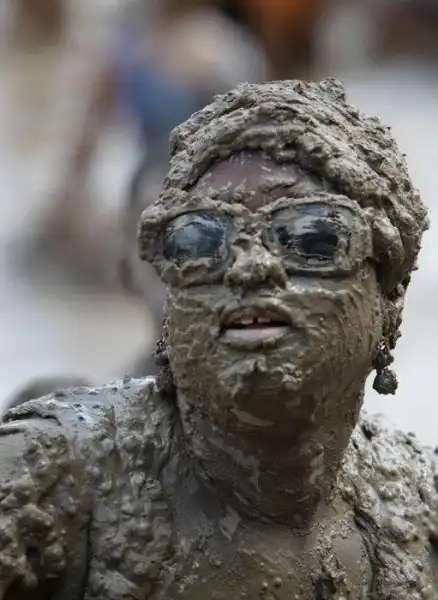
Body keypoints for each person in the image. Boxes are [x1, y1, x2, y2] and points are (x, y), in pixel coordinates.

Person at [0, 78, 436, 599]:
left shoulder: (419, 506)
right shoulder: (52, 479)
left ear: (390, 296)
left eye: (312, 236)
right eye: (200, 238)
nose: (250, 267)